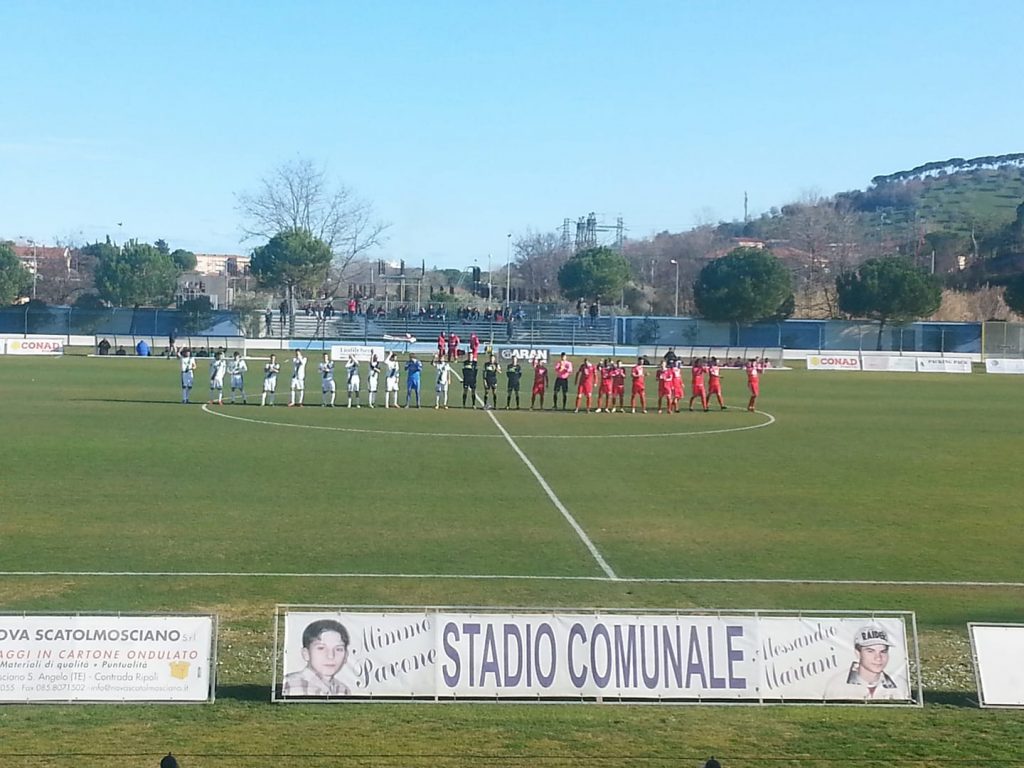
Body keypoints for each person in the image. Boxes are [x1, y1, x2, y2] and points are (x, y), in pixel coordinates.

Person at [823, 624, 904, 700]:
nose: (878, 658)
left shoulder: (900, 684)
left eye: (883, 651)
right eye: (870, 651)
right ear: (858, 653)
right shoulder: (837, 685)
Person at [281, 619, 351, 697]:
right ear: (306, 653)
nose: (330, 656)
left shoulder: (343, 690)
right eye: (321, 648)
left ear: (346, 656)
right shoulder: (292, 684)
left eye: (338, 649)